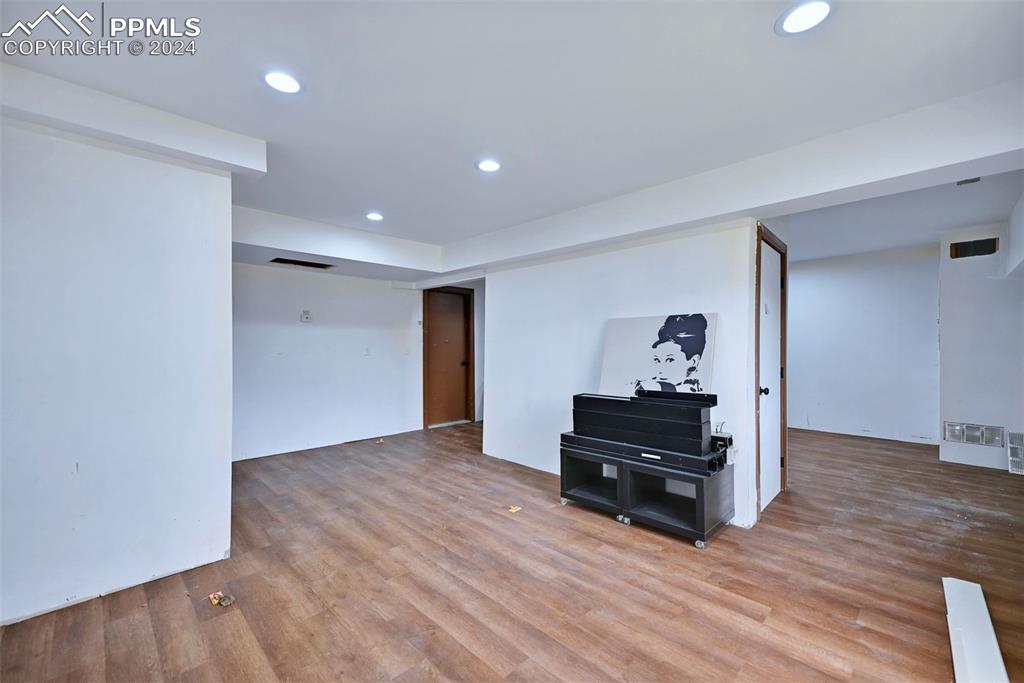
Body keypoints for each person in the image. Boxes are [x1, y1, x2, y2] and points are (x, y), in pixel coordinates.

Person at [633, 314, 708, 394]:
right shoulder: (645, 387)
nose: (660, 370)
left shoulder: (698, 392)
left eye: (670, 360)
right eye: (657, 360)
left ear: (693, 362)